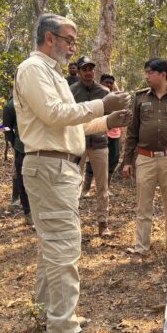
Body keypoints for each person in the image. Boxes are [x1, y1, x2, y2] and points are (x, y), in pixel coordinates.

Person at [14, 13, 130, 333]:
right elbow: (54, 114)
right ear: (50, 38)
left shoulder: (52, 74)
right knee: (64, 247)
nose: (72, 47)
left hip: (61, 167)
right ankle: (62, 329)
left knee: (54, 246)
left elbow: (70, 125)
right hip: (49, 167)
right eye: (69, 40)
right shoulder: (33, 70)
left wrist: (107, 118)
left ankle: (50, 312)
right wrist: (100, 103)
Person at [123, 58, 167, 264]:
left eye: (150, 72)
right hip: (145, 158)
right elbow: (132, 132)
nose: (146, 76)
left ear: (163, 75)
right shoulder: (140, 98)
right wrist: (128, 161)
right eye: (146, 72)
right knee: (144, 206)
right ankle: (141, 248)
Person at [70, 56, 112, 236]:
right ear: (79, 72)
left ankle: (103, 223)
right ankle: (72, 224)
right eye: (84, 69)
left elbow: (111, 115)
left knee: (102, 186)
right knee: (72, 184)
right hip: (77, 143)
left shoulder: (103, 91)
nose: (88, 72)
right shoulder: (71, 91)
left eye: (91, 69)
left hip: (99, 142)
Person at [2, 97, 32, 226]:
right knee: (23, 180)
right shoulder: (10, 106)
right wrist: (15, 144)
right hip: (22, 148)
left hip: (43, 147)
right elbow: (7, 129)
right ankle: (28, 212)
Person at [101, 74, 122, 186]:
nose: (109, 85)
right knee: (96, 161)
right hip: (100, 133)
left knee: (113, 160)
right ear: (101, 84)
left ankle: (106, 186)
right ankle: (87, 187)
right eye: (106, 82)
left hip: (115, 134)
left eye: (111, 83)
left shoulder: (118, 97)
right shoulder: (98, 97)